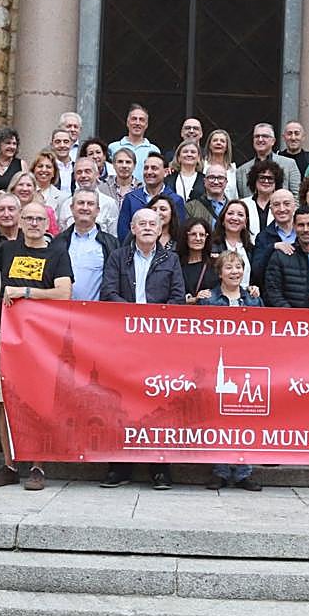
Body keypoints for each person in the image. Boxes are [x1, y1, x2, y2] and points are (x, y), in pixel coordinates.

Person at [0, 203, 74, 491]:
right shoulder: (7, 251)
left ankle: (37, 465)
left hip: (40, 339)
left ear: (48, 224)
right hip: (5, 332)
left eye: (40, 218)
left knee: (39, 399)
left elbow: (64, 293)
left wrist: (26, 292)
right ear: (20, 222)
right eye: (29, 218)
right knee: (2, 399)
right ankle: (10, 465)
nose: (34, 223)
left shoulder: (57, 252)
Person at [101, 208, 185, 490]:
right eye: (142, 223)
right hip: (123, 340)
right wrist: (135, 319)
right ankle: (118, 466)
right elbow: (108, 293)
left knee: (158, 402)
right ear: (133, 229)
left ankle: (160, 467)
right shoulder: (117, 257)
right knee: (121, 401)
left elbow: (177, 299)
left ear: (161, 229)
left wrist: (152, 322)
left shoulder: (171, 259)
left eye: (153, 223)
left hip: (159, 343)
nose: (148, 227)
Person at [203, 250, 264, 492]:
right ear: (219, 273)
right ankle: (219, 471)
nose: (235, 272)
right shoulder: (209, 299)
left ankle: (242, 472)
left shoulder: (253, 299)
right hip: (217, 365)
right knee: (217, 419)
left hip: (246, 365)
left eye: (238, 267)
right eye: (229, 268)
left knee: (244, 417)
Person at [55, 189, 118, 302]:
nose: (85, 207)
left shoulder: (111, 244)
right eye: (80, 203)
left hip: (96, 315)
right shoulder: (58, 242)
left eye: (90, 204)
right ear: (72, 208)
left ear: (98, 210)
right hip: (62, 312)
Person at [116, 153, 185, 241]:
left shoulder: (175, 200)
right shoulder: (131, 198)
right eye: (146, 168)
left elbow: (179, 231)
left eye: (154, 168)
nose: (149, 172)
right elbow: (123, 231)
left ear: (166, 172)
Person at [235, 124, 301, 198]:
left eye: (265, 136)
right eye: (257, 136)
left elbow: (297, 197)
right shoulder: (241, 171)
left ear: (273, 141)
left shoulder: (289, 165)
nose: (260, 139)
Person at [57, 157, 119, 236]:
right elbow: (62, 235)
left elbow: (113, 237)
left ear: (97, 175)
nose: (83, 175)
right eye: (79, 172)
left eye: (87, 171)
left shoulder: (109, 204)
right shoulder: (67, 204)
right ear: (74, 176)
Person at [211, 200, 255, 289]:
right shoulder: (212, 246)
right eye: (230, 213)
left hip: (246, 300)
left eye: (240, 215)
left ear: (245, 221)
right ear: (223, 219)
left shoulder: (251, 249)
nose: (235, 218)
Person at [108, 103, 160, 176]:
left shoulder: (154, 150)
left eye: (141, 120)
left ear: (146, 124)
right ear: (127, 122)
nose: (137, 123)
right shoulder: (113, 147)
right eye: (134, 119)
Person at [239, 158, 283, 239]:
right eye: (262, 177)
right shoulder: (242, 204)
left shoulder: (282, 206)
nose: (266, 181)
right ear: (254, 180)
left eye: (270, 178)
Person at [179, 218, 219, 303]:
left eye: (202, 235)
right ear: (185, 236)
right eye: (193, 234)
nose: (198, 238)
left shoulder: (215, 264)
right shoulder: (176, 263)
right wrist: (191, 299)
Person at [7, 171, 59, 235]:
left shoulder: (47, 211)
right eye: (20, 185)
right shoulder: (5, 212)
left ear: (34, 190)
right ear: (13, 189)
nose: (25, 189)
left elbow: (55, 237)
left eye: (29, 185)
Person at [186, 164, 233, 228]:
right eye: (211, 177)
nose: (216, 182)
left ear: (226, 182)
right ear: (204, 181)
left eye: (220, 178)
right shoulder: (191, 207)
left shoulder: (233, 208)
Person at [200, 129, 238, 200]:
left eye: (222, 141)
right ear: (209, 145)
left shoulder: (233, 169)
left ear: (227, 147)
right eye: (215, 140)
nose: (218, 143)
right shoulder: (201, 166)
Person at [48, 129, 75, 194]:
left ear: (71, 144)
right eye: (58, 142)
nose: (62, 145)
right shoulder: (47, 168)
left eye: (66, 141)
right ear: (52, 145)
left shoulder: (77, 168)